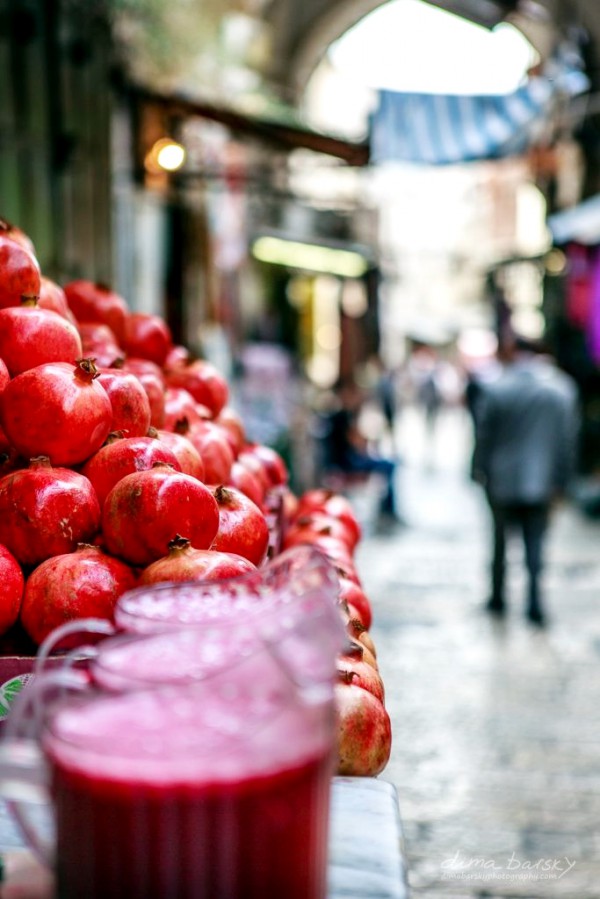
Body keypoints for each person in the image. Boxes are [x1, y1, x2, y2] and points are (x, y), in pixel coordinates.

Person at [471, 335, 579, 626]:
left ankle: (498, 596)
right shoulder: (561, 388)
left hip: (501, 478)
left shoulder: (496, 387)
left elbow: (484, 434)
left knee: (499, 541)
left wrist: (477, 468)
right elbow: (567, 439)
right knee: (536, 542)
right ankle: (534, 600)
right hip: (541, 481)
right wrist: (563, 480)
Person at [325, 378, 402, 526]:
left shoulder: (339, 416)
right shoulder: (342, 417)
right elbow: (357, 442)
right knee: (390, 465)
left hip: (345, 460)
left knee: (389, 464)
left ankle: (388, 508)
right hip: (348, 463)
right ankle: (388, 510)